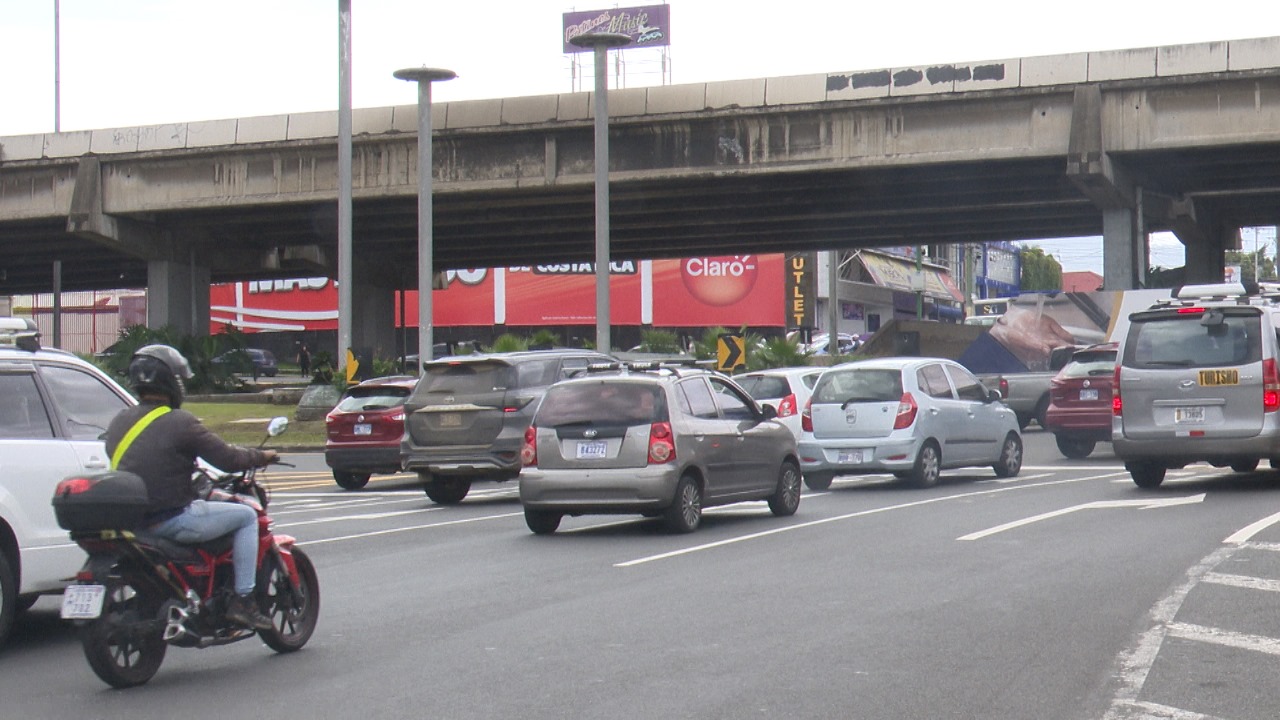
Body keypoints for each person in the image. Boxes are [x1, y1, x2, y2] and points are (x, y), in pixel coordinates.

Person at [102, 344, 279, 631]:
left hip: (135, 523)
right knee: (246, 517)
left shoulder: (120, 420)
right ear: (170, 381)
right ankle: (243, 601)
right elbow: (227, 458)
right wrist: (261, 456)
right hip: (171, 520)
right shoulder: (180, 422)